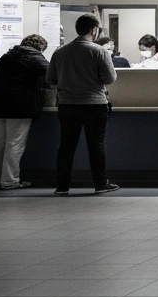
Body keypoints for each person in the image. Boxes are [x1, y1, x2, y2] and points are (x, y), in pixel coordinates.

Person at [46, 13, 118, 196]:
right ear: (94, 30)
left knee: (66, 145)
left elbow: (50, 79)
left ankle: (62, 186)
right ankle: (100, 183)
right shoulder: (99, 51)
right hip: (95, 104)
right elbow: (110, 78)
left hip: (68, 105)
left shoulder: (60, 52)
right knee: (96, 145)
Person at [0, 34, 49, 191]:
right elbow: (52, 75)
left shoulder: (6, 57)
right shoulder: (35, 58)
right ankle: (9, 181)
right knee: (14, 144)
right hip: (19, 106)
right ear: (40, 47)